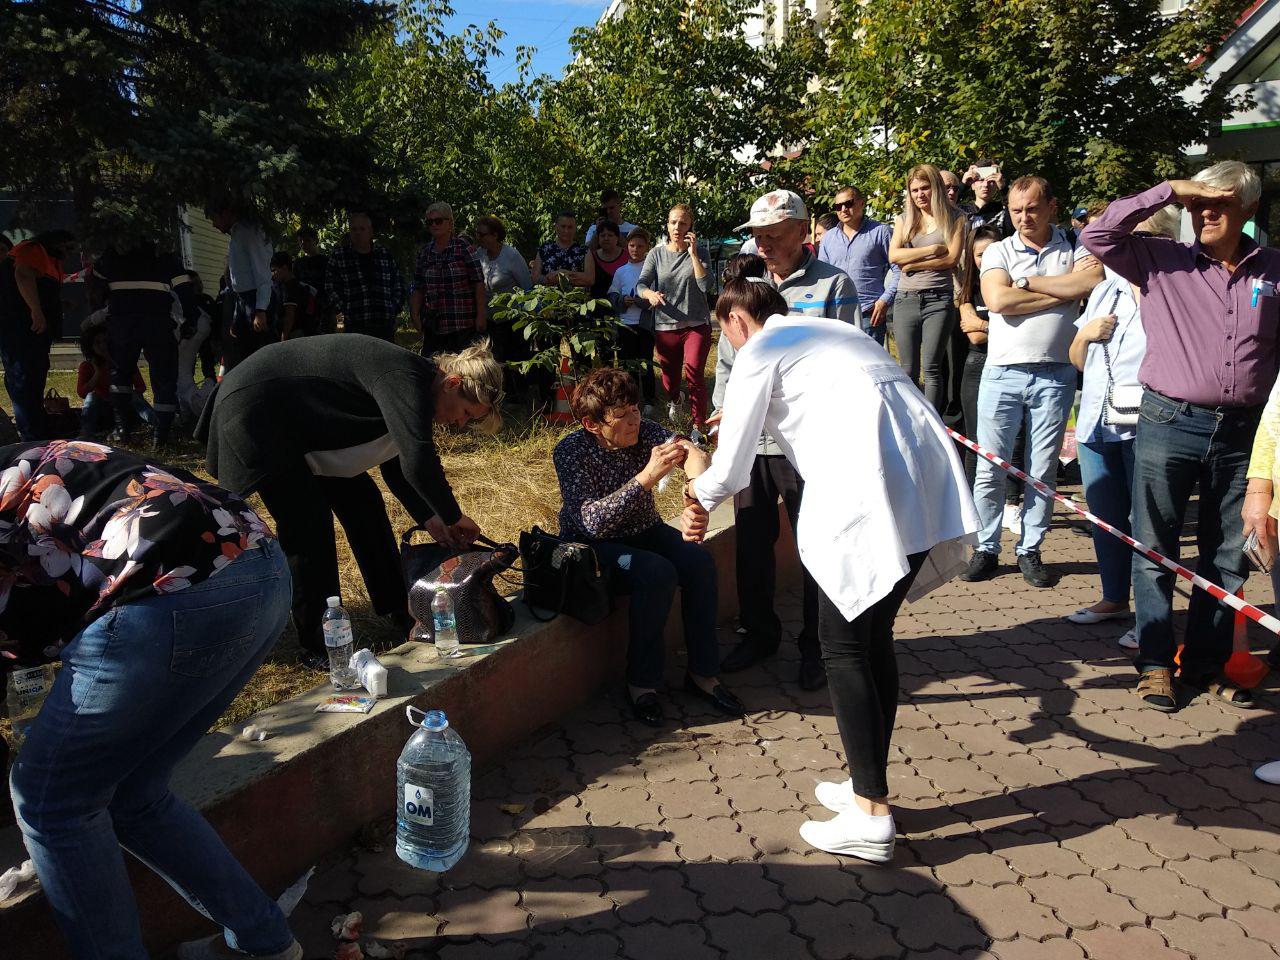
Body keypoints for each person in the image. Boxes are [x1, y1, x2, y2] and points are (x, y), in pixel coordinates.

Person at [681, 278, 978, 863]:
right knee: (873, 639)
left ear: (737, 321)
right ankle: (869, 784)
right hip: (926, 486)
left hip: (867, 492)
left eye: (724, 334)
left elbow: (732, 470)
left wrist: (696, 488)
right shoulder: (833, 333)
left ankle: (871, 817)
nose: (729, 346)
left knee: (842, 647)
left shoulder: (759, 349)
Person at [2, 440, 299, 960]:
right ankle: (265, 943)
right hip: (258, 565)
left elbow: (26, 628)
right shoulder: (23, 458)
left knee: (52, 802)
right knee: (133, 792)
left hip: (173, 590)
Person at [1083, 161, 1280, 712]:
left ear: (1249, 209)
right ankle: (1154, 665)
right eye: (1198, 204)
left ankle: (1204, 664)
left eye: (1219, 203)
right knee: (1155, 546)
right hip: (1170, 420)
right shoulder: (1159, 258)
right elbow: (1097, 235)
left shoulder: (1274, 270)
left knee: (1226, 553)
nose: (1205, 213)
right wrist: (1171, 189)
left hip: (1244, 429)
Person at [203, 335, 503, 667]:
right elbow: (417, 461)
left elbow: (395, 462)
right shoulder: (404, 379)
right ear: (452, 383)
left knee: (364, 504)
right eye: (465, 412)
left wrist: (430, 517)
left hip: (302, 422)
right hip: (257, 411)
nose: (460, 423)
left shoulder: (418, 386)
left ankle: (399, 609)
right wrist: (452, 516)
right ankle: (318, 646)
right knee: (308, 522)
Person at [552, 367, 743, 727]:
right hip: (595, 545)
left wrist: (694, 496)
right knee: (657, 573)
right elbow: (591, 521)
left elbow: (694, 452)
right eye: (621, 415)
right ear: (593, 424)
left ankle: (703, 673)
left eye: (635, 409)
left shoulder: (646, 433)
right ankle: (642, 683)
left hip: (644, 530)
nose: (634, 420)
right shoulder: (571, 452)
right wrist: (647, 477)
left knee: (699, 563)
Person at [962, 176, 1102, 588]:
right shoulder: (999, 249)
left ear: (1052, 207)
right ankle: (986, 547)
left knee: (1042, 470)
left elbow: (1090, 282)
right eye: (1016, 210)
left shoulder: (1076, 247)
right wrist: (1062, 292)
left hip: (1056, 373)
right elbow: (998, 300)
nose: (1023, 217)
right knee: (991, 466)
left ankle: (1030, 549)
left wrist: (1022, 283)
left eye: (1032, 208)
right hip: (1002, 372)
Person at [1066, 206, 1181, 647]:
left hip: (1148, 422)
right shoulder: (1105, 289)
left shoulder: (1173, 289)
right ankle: (1113, 598)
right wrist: (1085, 335)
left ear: (1163, 241)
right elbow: (1078, 361)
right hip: (1097, 421)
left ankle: (1151, 620)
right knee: (1106, 519)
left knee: (1148, 524)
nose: (1125, 247)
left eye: (1138, 237)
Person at [710, 254, 824, 690]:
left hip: (796, 447)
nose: (766, 244)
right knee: (752, 545)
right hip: (751, 450)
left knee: (815, 548)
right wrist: (725, 417)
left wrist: (699, 493)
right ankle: (759, 634)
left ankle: (818, 648)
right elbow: (725, 374)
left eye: (773, 235)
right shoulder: (734, 314)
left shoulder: (819, 293)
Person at [90, 239, 198, 448]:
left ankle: (123, 429)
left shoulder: (113, 253)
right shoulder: (164, 255)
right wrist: (191, 320)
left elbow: (95, 287)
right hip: (157, 323)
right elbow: (185, 289)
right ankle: (161, 436)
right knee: (164, 377)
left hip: (123, 323)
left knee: (120, 374)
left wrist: (100, 311)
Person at [889, 164, 967, 411]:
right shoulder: (904, 220)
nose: (920, 194)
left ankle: (931, 421)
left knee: (932, 367)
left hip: (939, 298)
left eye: (925, 188)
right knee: (908, 369)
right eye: (914, 190)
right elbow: (894, 256)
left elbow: (952, 259)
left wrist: (912, 262)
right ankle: (910, 418)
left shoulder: (956, 218)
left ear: (936, 188)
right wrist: (932, 249)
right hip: (906, 298)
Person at [637, 204, 714, 431]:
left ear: (690, 227)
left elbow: (705, 286)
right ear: (667, 225)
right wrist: (649, 294)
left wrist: (693, 254)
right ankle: (676, 400)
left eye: (683, 223)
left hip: (696, 324)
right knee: (669, 381)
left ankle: (699, 427)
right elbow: (641, 284)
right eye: (673, 222)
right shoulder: (656, 254)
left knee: (694, 374)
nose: (677, 227)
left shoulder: (701, 252)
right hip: (666, 325)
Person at [740, 189, 861, 326]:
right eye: (758, 237)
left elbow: (849, 340)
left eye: (772, 236)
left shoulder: (835, 285)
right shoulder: (748, 283)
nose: (762, 248)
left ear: (802, 231)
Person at [0, 230, 74, 440]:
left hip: (34, 332)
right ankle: (31, 435)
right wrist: (36, 311)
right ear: (55, 243)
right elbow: (23, 275)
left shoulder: (50, 260)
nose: (68, 253)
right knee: (24, 378)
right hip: (21, 329)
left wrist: (56, 306)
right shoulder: (33, 250)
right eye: (66, 247)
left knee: (32, 377)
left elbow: (41, 289)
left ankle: (36, 428)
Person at [818, 185, 898, 345]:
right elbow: (822, 276)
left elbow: (900, 270)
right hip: (836, 316)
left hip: (869, 314)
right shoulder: (829, 238)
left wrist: (885, 300)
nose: (843, 209)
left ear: (862, 203)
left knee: (869, 360)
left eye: (848, 203)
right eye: (838, 206)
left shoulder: (881, 232)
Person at [956, 226, 1003, 485]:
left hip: (1006, 364)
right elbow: (974, 338)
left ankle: (1011, 497)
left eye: (993, 251)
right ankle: (972, 494)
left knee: (1009, 436)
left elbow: (981, 330)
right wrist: (998, 328)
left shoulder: (1012, 287)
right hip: (977, 365)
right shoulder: (968, 292)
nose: (987, 259)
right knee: (975, 437)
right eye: (980, 254)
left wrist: (983, 324)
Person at [205, 201, 275, 373]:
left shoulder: (249, 232)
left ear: (225, 213)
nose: (214, 224)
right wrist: (237, 315)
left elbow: (262, 272)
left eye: (214, 218)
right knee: (243, 352)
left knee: (262, 354)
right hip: (242, 300)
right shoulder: (236, 234)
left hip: (256, 299)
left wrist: (260, 310)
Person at [410, 202, 487, 355]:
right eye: (429, 222)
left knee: (463, 367)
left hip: (462, 325)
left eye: (438, 221)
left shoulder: (464, 249)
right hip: (434, 328)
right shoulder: (425, 253)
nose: (434, 225)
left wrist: (481, 316)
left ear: (450, 223)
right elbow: (419, 287)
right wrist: (414, 314)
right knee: (432, 367)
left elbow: (478, 283)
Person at [325, 211, 406, 341]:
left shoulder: (384, 254)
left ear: (371, 232)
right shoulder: (339, 256)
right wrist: (344, 309)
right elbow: (330, 287)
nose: (358, 233)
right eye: (354, 229)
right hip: (354, 326)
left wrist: (393, 308)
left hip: (384, 325)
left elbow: (398, 284)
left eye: (362, 229)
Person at [474, 214, 532, 391]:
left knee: (515, 359)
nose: (478, 238)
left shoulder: (512, 256)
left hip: (513, 319)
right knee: (494, 359)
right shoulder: (479, 254)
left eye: (482, 234)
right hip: (490, 320)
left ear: (495, 235)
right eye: (477, 234)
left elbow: (526, 286)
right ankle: (498, 393)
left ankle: (519, 395)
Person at [76, 322, 154, 438]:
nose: (103, 346)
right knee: (92, 397)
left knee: (133, 396)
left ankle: (156, 422)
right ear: (91, 346)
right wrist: (97, 373)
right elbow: (82, 393)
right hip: (104, 411)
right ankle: (86, 432)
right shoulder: (87, 366)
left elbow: (141, 386)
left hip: (124, 408)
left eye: (105, 342)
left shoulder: (124, 362)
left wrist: (112, 362)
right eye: (98, 343)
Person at [608, 228, 657, 407]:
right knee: (627, 365)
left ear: (647, 247)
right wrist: (622, 300)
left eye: (640, 246)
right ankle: (630, 400)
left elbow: (655, 296)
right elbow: (612, 293)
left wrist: (642, 301)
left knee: (646, 363)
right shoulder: (621, 271)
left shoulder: (651, 270)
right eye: (632, 245)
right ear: (627, 246)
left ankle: (649, 400)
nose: (635, 249)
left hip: (644, 325)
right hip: (625, 325)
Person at [269, 251, 319, 339]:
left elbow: (290, 315)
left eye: (274, 270)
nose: (272, 275)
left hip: (294, 334)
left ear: (284, 268)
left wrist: (284, 337)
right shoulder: (291, 285)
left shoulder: (290, 287)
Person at [533, 212, 590, 288]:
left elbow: (590, 279)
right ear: (556, 227)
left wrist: (563, 274)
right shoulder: (544, 248)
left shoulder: (584, 250)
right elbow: (535, 278)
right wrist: (549, 280)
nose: (566, 231)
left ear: (575, 228)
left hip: (577, 295)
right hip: (548, 294)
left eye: (570, 227)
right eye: (563, 226)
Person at [294, 226, 333, 334]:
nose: (303, 244)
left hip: (323, 308)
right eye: (301, 241)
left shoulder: (326, 261)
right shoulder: (298, 263)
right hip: (304, 309)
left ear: (315, 240)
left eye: (307, 240)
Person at [961, 160, 1014, 238]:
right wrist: (963, 185)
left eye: (991, 181)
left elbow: (1015, 210)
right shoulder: (961, 211)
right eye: (981, 180)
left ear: (997, 185)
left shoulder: (1002, 210)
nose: (986, 185)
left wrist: (1003, 189)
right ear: (972, 185)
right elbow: (944, 208)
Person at [587, 220, 629, 298]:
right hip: (597, 303)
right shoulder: (591, 257)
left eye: (610, 235)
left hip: (623, 302)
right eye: (602, 236)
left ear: (617, 237)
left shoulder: (628, 256)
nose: (606, 238)